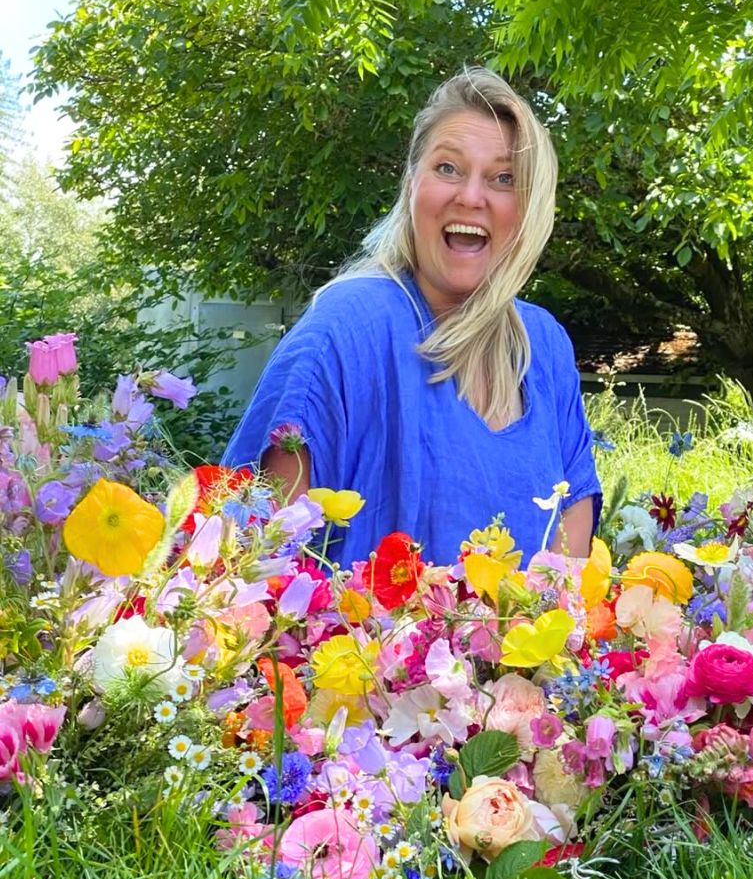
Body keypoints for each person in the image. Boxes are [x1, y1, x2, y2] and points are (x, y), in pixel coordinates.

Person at [222, 67, 601, 567]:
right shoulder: (347, 327)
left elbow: (568, 566)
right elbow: (259, 559)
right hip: (355, 644)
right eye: (447, 168)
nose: (470, 196)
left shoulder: (544, 345)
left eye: (503, 178)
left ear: (529, 207)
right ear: (411, 187)